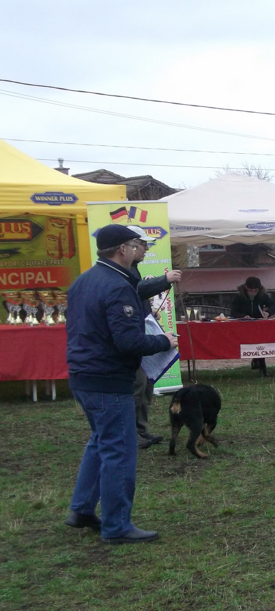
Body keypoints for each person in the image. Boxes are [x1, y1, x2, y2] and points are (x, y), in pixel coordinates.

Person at [64, 224, 179, 544]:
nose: (139, 249)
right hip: (108, 378)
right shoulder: (117, 286)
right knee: (119, 450)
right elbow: (128, 341)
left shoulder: (84, 280)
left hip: (83, 374)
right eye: (135, 244)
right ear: (123, 250)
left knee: (100, 442)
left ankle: (82, 509)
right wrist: (164, 341)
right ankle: (117, 526)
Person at [127, 226, 182, 448]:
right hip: (133, 339)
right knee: (138, 384)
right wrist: (164, 279)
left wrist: (148, 311)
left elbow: (135, 296)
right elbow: (134, 290)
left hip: (141, 332)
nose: (147, 249)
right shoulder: (124, 271)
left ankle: (141, 430)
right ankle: (131, 433)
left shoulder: (133, 268)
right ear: (130, 246)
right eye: (143, 244)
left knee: (146, 383)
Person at [231, 276, 275, 375]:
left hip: (258, 324)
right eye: (251, 290)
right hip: (244, 324)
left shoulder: (262, 296)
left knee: (260, 344)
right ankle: (256, 361)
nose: (253, 293)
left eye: (255, 291)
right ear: (246, 288)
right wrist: (243, 316)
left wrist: (268, 312)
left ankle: (261, 364)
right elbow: (233, 312)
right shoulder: (239, 296)